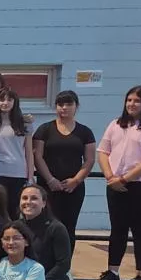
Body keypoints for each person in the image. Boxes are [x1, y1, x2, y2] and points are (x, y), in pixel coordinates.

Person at [96, 85, 141, 280]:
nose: (132, 104)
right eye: (129, 100)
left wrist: (125, 179)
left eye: (137, 101)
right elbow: (103, 152)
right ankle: (113, 272)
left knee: (140, 230)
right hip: (114, 184)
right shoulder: (115, 124)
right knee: (117, 228)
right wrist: (110, 177)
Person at [33, 90, 95, 246]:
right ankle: (44, 260)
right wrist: (50, 180)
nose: (64, 108)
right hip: (47, 187)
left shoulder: (85, 132)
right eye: (60, 104)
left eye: (68, 104)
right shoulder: (44, 129)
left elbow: (89, 160)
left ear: (76, 106)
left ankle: (65, 261)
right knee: (44, 226)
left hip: (73, 189)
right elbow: (37, 156)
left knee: (68, 228)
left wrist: (76, 180)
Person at [17, 185, 75, 280]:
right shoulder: (15, 227)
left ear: (43, 203)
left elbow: (63, 264)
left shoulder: (56, 228)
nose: (28, 202)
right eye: (24, 198)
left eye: (34, 198)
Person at [0, 88, 34, 219]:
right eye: (2, 100)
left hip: (18, 174)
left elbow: (29, 152)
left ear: (15, 102)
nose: (5, 103)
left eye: (9, 100)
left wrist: (30, 178)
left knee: (14, 212)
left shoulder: (25, 124)